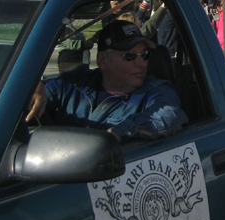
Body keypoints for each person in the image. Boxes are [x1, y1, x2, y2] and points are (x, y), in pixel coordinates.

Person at [27, 19, 188, 141]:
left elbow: (169, 115)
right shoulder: (73, 85)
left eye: (145, 54)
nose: (142, 63)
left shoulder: (156, 92)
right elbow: (36, 97)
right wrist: (32, 88)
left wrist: (119, 133)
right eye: (130, 56)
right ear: (103, 61)